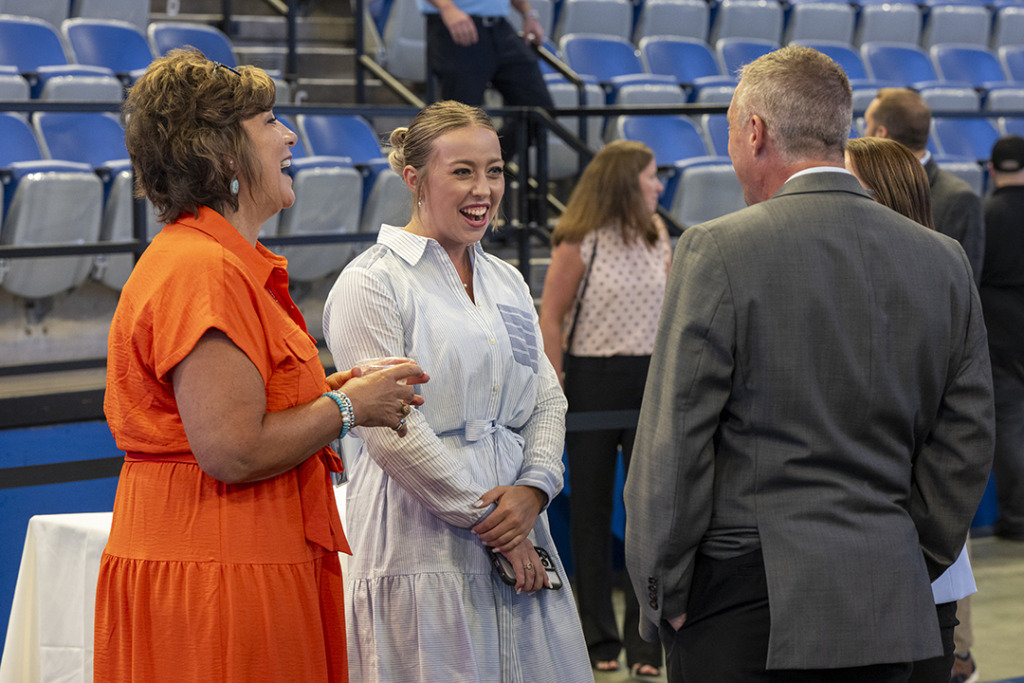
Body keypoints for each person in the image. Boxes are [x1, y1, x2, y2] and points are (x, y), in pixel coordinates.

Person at [624, 45, 994, 681]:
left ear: (755, 132)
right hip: (887, 593)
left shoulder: (717, 249)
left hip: (742, 601)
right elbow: (966, 438)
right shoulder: (943, 259)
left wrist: (664, 593)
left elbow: (673, 445)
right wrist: (911, 555)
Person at [95, 49, 427, 682]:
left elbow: (246, 408)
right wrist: (348, 408)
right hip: (220, 569)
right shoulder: (204, 269)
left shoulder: (214, 261)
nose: (291, 135)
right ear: (224, 156)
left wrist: (335, 393)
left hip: (230, 553)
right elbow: (233, 449)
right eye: (271, 122)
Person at [322, 100, 591, 682]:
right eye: (462, 171)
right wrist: (490, 521)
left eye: (494, 171)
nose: (484, 190)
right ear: (414, 179)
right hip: (419, 539)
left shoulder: (507, 280)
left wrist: (536, 488)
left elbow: (546, 397)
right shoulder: (371, 282)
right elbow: (391, 429)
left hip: (521, 524)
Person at [846, 135, 979, 683]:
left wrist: (923, 550)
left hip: (920, 554)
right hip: (859, 559)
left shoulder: (940, 285)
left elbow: (962, 435)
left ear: (880, 197)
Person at [537, 139, 669, 677]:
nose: (659, 185)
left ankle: (645, 643)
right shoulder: (580, 237)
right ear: (624, 182)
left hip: (650, 379)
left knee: (648, 515)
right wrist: (555, 386)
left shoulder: (657, 232)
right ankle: (598, 638)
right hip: (591, 380)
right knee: (590, 512)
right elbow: (551, 316)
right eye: (651, 176)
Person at [863, 88, 985, 285]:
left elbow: (965, 286)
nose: (863, 133)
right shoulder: (865, 188)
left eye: (867, 124)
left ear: (881, 133)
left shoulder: (958, 198)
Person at [422, 0, 554, 160]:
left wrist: (528, 14)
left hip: (500, 26)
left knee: (540, 110)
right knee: (462, 122)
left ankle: (488, 165)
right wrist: (447, 7)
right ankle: (469, 169)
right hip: (457, 25)